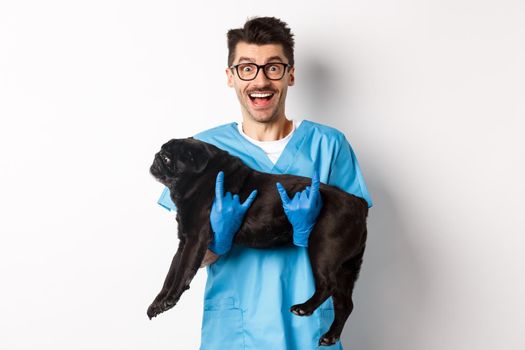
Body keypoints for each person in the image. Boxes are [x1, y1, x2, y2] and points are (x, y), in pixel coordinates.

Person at [156, 16, 373, 350]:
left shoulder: (329, 145)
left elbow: (351, 232)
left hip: (308, 331)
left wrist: (308, 232)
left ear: (290, 74)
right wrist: (218, 240)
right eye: (247, 68)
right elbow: (191, 251)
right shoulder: (200, 149)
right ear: (231, 77)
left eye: (273, 68)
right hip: (236, 331)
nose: (260, 80)